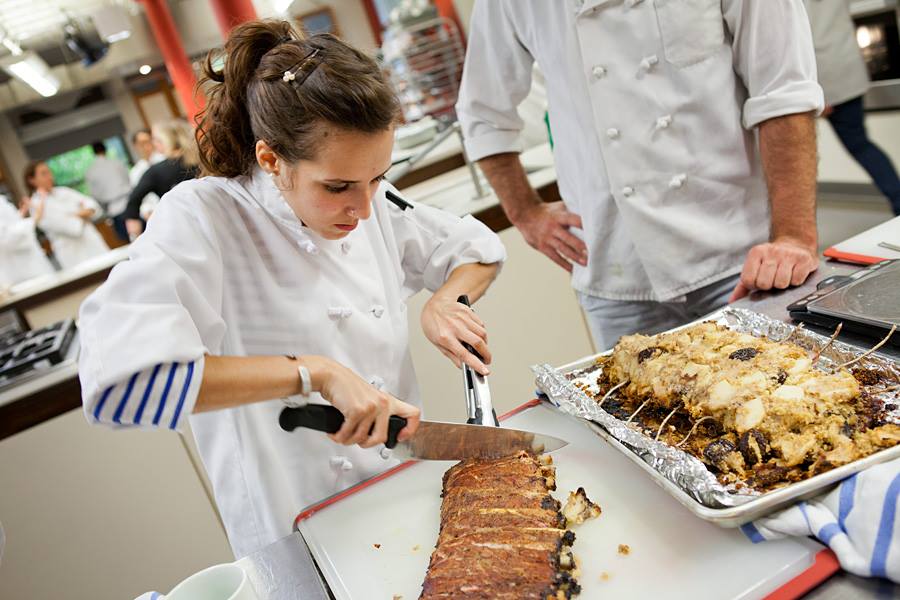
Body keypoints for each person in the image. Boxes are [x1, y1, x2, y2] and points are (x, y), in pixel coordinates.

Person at [77, 20, 505, 558]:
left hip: (404, 498)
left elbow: (477, 250)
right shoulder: (203, 215)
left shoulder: (364, 200)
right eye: (337, 187)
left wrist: (446, 299)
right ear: (270, 160)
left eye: (378, 177)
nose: (365, 208)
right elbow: (124, 383)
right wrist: (314, 371)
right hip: (296, 532)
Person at [457, 1, 825, 351]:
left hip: (742, 256)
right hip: (614, 274)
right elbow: (483, 113)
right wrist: (525, 213)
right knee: (642, 412)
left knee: (783, 396)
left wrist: (793, 236)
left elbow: (782, 92)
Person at [804, 0, 900, 216]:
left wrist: (819, 92)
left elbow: (798, 40)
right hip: (849, 71)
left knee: (801, 154)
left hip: (823, 80)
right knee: (861, 145)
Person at [123, 120, 201, 239]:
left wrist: (135, 235)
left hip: (181, 227)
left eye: (154, 140)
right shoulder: (202, 160)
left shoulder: (156, 171)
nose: (151, 144)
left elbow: (133, 202)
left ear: (165, 141)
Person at [23, 161, 109, 269]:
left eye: (49, 172)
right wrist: (82, 213)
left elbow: (93, 206)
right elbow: (69, 227)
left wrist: (72, 214)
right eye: (44, 173)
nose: (49, 176)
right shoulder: (35, 205)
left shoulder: (63, 191)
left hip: (93, 243)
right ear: (32, 180)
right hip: (73, 255)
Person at [0, 195, 53, 287]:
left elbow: (10, 225)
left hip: (29, 266)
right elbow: (7, 238)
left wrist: (19, 215)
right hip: (23, 273)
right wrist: (34, 219)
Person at [84, 141, 132, 241]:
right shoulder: (117, 163)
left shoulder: (90, 171)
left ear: (94, 152)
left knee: (128, 242)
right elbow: (128, 180)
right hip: (129, 203)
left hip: (114, 209)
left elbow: (95, 195)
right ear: (105, 149)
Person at [128, 128, 165, 223]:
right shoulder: (135, 172)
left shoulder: (165, 160)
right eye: (141, 143)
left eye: (148, 141)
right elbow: (139, 199)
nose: (146, 146)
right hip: (154, 215)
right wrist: (146, 213)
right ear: (135, 146)